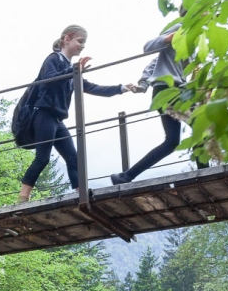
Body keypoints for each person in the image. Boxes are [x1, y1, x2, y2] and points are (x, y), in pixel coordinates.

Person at [14, 25, 141, 201]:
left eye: (84, 43)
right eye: (80, 41)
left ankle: (80, 193)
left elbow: (92, 87)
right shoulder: (53, 59)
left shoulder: (71, 69)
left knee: (74, 158)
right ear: (66, 39)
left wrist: (122, 88)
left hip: (57, 119)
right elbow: (49, 80)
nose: (82, 46)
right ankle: (22, 198)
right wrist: (73, 70)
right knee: (42, 158)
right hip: (44, 114)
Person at [111, 25, 206, 184]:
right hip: (168, 90)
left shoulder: (196, 40)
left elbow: (158, 62)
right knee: (201, 126)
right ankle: (205, 174)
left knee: (172, 142)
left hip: (173, 90)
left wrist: (143, 84)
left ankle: (125, 177)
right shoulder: (182, 27)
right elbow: (148, 47)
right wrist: (169, 38)